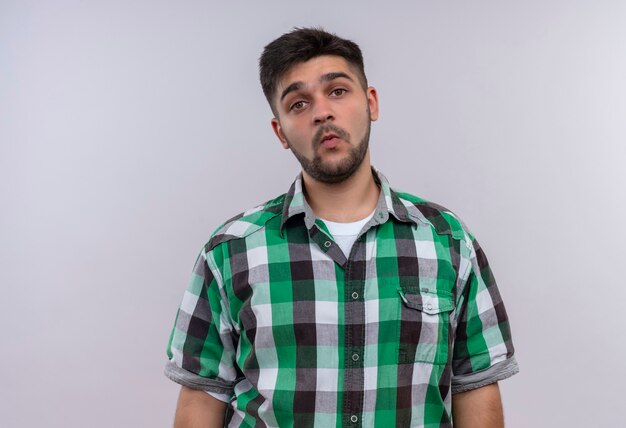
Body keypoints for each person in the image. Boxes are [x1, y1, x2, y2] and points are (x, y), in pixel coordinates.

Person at [165, 27, 518, 428]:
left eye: (337, 91)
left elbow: (477, 389)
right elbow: (200, 400)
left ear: (370, 103)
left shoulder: (448, 242)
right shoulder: (230, 251)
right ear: (280, 132)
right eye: (298, 103)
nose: (322, 112)